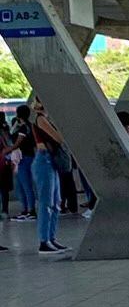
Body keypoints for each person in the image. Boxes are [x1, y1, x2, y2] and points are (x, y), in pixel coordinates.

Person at [32, 103, 70, 257]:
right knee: (46, 202)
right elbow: (59, 138)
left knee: (56, 202)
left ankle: (51, 238)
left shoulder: (46, 119)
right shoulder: (40, 119)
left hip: (50, 162)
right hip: (43, 161)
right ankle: (44, 240)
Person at [11, 103, 37, 221]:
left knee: (25, 185)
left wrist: (7, 150)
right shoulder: (30, 126)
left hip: (25, 158)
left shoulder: (23, 128)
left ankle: (30, 211)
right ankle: (27, 210)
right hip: (30, 156)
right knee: (24, 185)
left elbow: (17, 142)